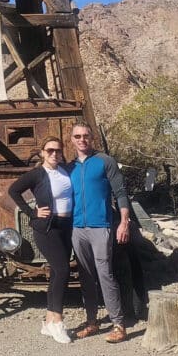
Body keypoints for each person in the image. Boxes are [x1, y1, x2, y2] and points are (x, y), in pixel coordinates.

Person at [7, 136, 74, 344]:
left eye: (58, 150)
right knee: (63, 270)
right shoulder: (37, 174)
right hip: (47, 228)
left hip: (66, 227)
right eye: (50, 150)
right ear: (43, 152)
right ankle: (58, 322)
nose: (54, 154)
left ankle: (48, 322)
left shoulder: (65, 170)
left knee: (56, 272)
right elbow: (13, 190)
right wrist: (32, 212)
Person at [68, 123, 130, 343]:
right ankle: (92, 321)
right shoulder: (69, 167)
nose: (82, 139)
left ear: (92, 138)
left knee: (105, 274)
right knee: (85, 276)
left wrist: (124, 222)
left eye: (85, 136)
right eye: (77, 136)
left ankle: (118, 324)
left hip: (101, 226)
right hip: (77, 228)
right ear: (72, 140)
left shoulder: (105, 161)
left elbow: (120, 192)